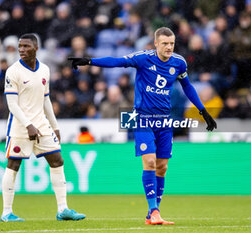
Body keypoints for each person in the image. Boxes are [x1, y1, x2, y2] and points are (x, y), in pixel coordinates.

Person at [68, 27, 217, 225]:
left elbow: (188, 86)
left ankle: (153, 214)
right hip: (144, 118)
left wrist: (203, 111)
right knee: (149, 162)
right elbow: (118, 61)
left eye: (171, 43)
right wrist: (89, 61)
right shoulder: (143, 58)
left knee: (162, 167)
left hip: (165, 121)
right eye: (165, 43)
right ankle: (153, 210)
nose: (169, 47)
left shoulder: (179, 63)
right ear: (156, 43)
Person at [1, 34, 85, 222]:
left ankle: (63, 209)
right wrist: (28, 125)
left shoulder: (44, 70)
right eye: (20, 46)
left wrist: (54, 126)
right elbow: (12, 105)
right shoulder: (13, 71)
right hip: (20, 126)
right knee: (13, 165)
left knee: (57, 161)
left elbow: (45, 99)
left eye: (26, 46)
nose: (21, 50)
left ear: (36, 48)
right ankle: (6, 212)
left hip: (41, 125)